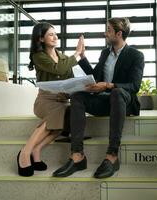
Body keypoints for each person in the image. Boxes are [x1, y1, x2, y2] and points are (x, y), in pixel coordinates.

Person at [53, 17, 144, 178]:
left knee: (116, 92)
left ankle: (112, 156)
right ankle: (77, 156)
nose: (105, 33)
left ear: (119, 33)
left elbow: (134, 86)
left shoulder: (136, 55)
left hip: (123, 101)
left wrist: (109, 85)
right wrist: (82, 56)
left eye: (108, 30)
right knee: (78, 97)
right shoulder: (105, 53)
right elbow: (95, 77)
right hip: (104, 101)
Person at [16, 22, 84, 177]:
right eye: (51, 34)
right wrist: (77, 53)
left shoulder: (64, 58)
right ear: (41, 39)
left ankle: (37, 150)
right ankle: (24, 153)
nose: (55, 37)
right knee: (57, 113)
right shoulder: (39, 56)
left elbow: (70, 82)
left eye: (55, 34)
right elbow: (58, 69)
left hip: (61, 100)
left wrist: (68, 93)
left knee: (61, 124)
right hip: (44, 100)